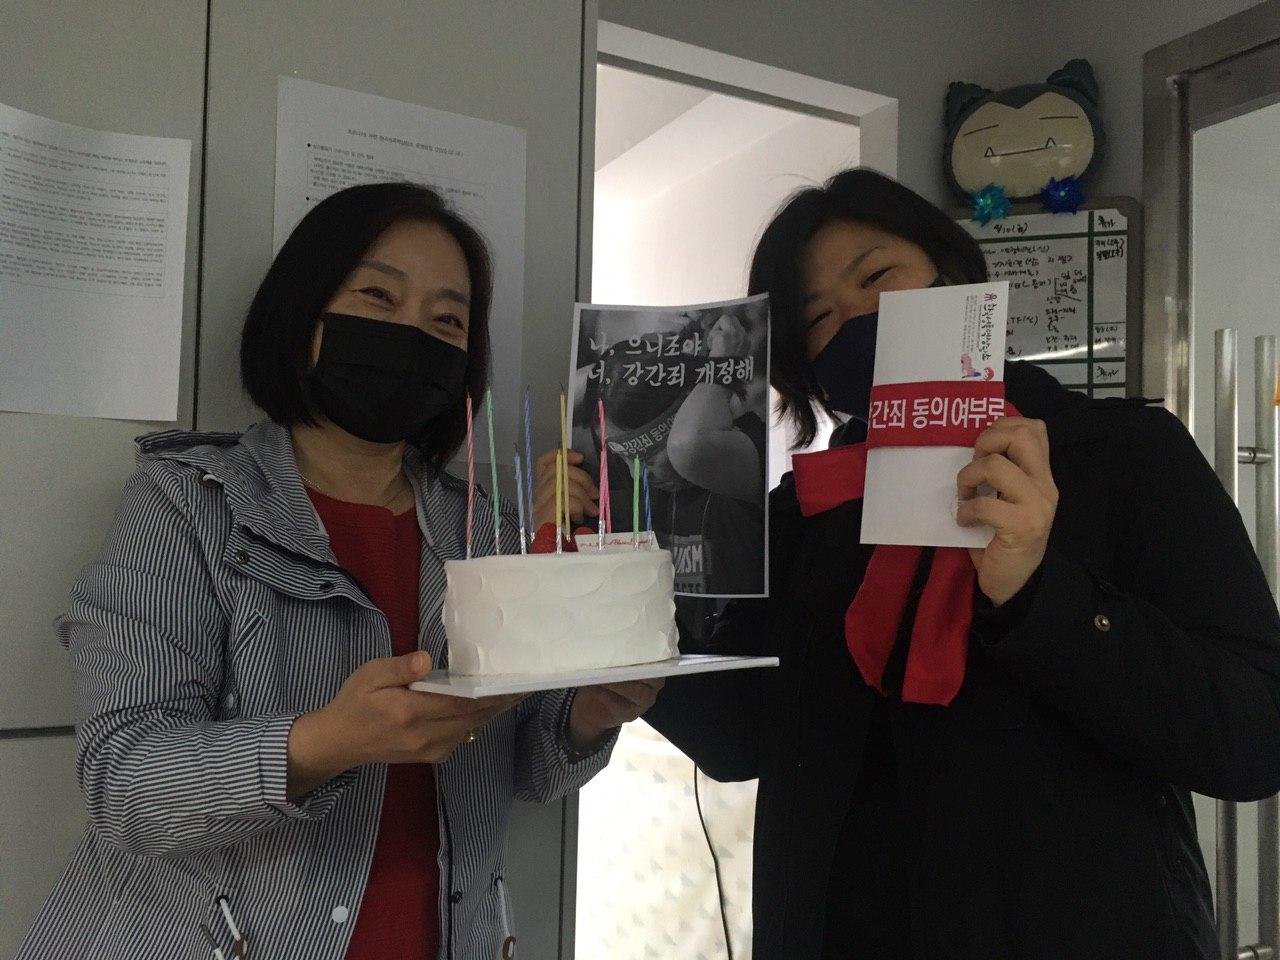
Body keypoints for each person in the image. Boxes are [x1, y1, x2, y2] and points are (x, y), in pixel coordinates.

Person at [632, 169, 1280, 958]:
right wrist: (624, 625)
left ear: (954, 275)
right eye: (819, 318)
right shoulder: (805, 513)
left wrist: (1041, 592)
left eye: (878, 276)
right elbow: (741, 739)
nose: (860, 318)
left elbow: (1255, 736)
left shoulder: (1122, 457)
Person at [16, 182, 658, 960]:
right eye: (378, 298)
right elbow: (125, 784)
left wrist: (591, 713)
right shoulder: (189, 501)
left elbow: (523, 767)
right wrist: (322, 743)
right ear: (304, 312)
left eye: (446, 322)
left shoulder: (483, 529)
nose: (411, 335)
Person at [557, 310, 766, 604]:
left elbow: (688, 446)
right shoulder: (625, 469)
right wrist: (624, 365)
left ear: (688, 412)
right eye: (624, 455)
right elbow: (561, 397)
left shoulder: (740, 451)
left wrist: (721, 361)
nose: (636, 472)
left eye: (647, 454)